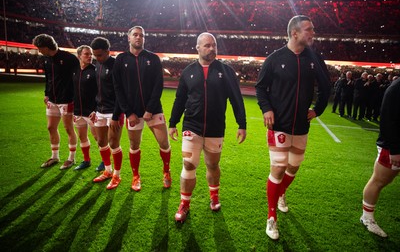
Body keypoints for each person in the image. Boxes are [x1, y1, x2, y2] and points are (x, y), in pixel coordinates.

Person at [255, 15, 331, 240]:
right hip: (278, 125)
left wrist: (318, 110)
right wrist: (266, 108)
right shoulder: (275, 58)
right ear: (294, 33)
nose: (313, 33)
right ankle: (271, 217)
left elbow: (326, 87)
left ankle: (281, 195)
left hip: (301, 125)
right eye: (309, 29)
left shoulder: (315, 58)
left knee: (294, 167)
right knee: (278, 168)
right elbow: (261, 88)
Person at [169, 32, 247, 223]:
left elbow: (236, 99)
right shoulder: (188, 71)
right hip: (191, 126)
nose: (211, 48)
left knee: (212, 165)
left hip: (215, 127)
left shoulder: (226, 71)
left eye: (214, 45)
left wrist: (242, 124)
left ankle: (214, 197)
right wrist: (172, 123)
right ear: (197, 47)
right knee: (189, 164)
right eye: (207, 45)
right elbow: (180, 99)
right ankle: (184, 204)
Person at [113, 26, 172, 191]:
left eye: (142, 35)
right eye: (135, 35)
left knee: (164, 142)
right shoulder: (120, 59)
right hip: (132, 112)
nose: (139, 37)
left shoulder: (153, 58)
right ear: (129, 38)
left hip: (153, 110)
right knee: (134, 144)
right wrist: (128, 112)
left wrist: (150, 109)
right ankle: (135, 176)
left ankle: (166, 171)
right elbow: (118, 88)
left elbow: (158, 85)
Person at [360, 78, 400, 238]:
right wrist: (395, 149)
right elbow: (387, 119)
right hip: (393, 146)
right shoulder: (396, 88)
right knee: (380, 180)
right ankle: (367, 218)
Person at [33, 34, 79, 169]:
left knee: (68, 128)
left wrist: (75, 98)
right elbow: (48, 78)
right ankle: (55, 156)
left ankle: (71, 158)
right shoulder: (46, 60)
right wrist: (46, 94)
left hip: (66, 100)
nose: (39, 51)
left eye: (40, 48)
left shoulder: (69, 58)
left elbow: (77, 79)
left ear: (47, 47)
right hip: (52, 100)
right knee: (51, 127)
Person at [90, 37, 125, 190]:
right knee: (101, 142)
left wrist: (116, 115)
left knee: (113, 143)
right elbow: (96, 89)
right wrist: (93, 108)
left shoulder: (117, 65)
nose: (97, 58)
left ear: (107, 51)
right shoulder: (96, 64)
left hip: (114, 111)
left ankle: (117, 175)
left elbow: (121, 93)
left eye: (99, 55)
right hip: (99, 110)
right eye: (94, 55)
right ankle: (108, 170)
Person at [72, 45, 98, 170]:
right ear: (79, 56)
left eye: (90, 54)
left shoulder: (95, 71)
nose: (90, 56)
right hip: (77, 111)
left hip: (91, 112)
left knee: (99, 138)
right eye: (86, 54)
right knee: (82, 136)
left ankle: (105, 162)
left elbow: (101, 92)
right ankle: (86, 160)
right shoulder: (75, 70)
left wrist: (96, 109)